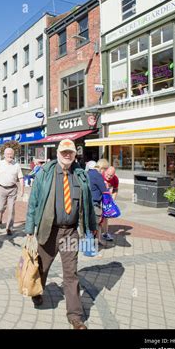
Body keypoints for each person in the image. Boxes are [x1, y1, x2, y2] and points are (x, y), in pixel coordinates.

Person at [25, 139, 98, 330]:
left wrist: (91, 227)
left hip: (71, 232)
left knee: (71, 274)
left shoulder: (81, 175)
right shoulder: (45, 173)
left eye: (70, 152)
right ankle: (37, 291)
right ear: (57, 153)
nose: (67, 155)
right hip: (49, 230)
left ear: (75, 155)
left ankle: (75, 317)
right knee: (42, 267)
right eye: (64, 152)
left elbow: (88, 204)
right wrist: (29, 230)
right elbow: (33, 202)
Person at [0, 148, 24, 235]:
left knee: (11, 209)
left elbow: (21, 178)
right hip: (1, 188)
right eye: (8, 153)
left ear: (13, 155)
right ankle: (0, 215)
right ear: (4, 155)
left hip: (12, 189)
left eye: (11, 154)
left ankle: (9, 228)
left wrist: (22, 190)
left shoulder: (16, 165)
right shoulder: (0, 164)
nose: (10, 155)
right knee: (1, 207)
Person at [86, 160, 107, 247]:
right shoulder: (97, 175)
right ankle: (92, 245)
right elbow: (104, 190)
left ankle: (89, 243)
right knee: (96, 223)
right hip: (95, 203)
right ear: (102, 168)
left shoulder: (86, 174)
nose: (104, 172)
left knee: (88, 223)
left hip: (86, 202)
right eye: (105, 170)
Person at [101, 165, 119, 242]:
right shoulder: (100, 176)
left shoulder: (115, 179)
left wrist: (112, 201)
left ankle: (105, 233)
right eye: (107, 175)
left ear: (114, 175)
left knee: (106, 217)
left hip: (107, 199)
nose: (108, 177)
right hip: (98, 197)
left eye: (111, 176)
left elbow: (115, 190)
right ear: (105, 172)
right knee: (98, 216)